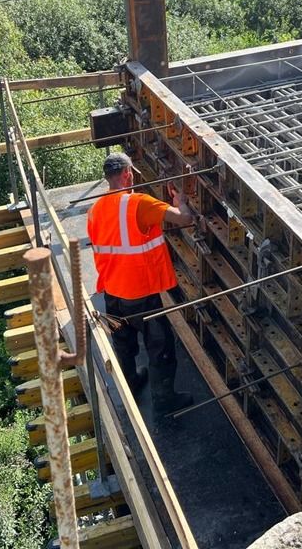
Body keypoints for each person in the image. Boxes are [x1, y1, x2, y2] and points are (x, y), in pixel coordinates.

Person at [86, 152, 194, 415]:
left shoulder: (95, 209)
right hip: (140, 295)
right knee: (160, 346)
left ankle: (131, 382)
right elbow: (184, 218)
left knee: (123, 342)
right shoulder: (139, 204)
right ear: (127, 174)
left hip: (111, 292)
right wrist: (180, 201)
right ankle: (164, 400)